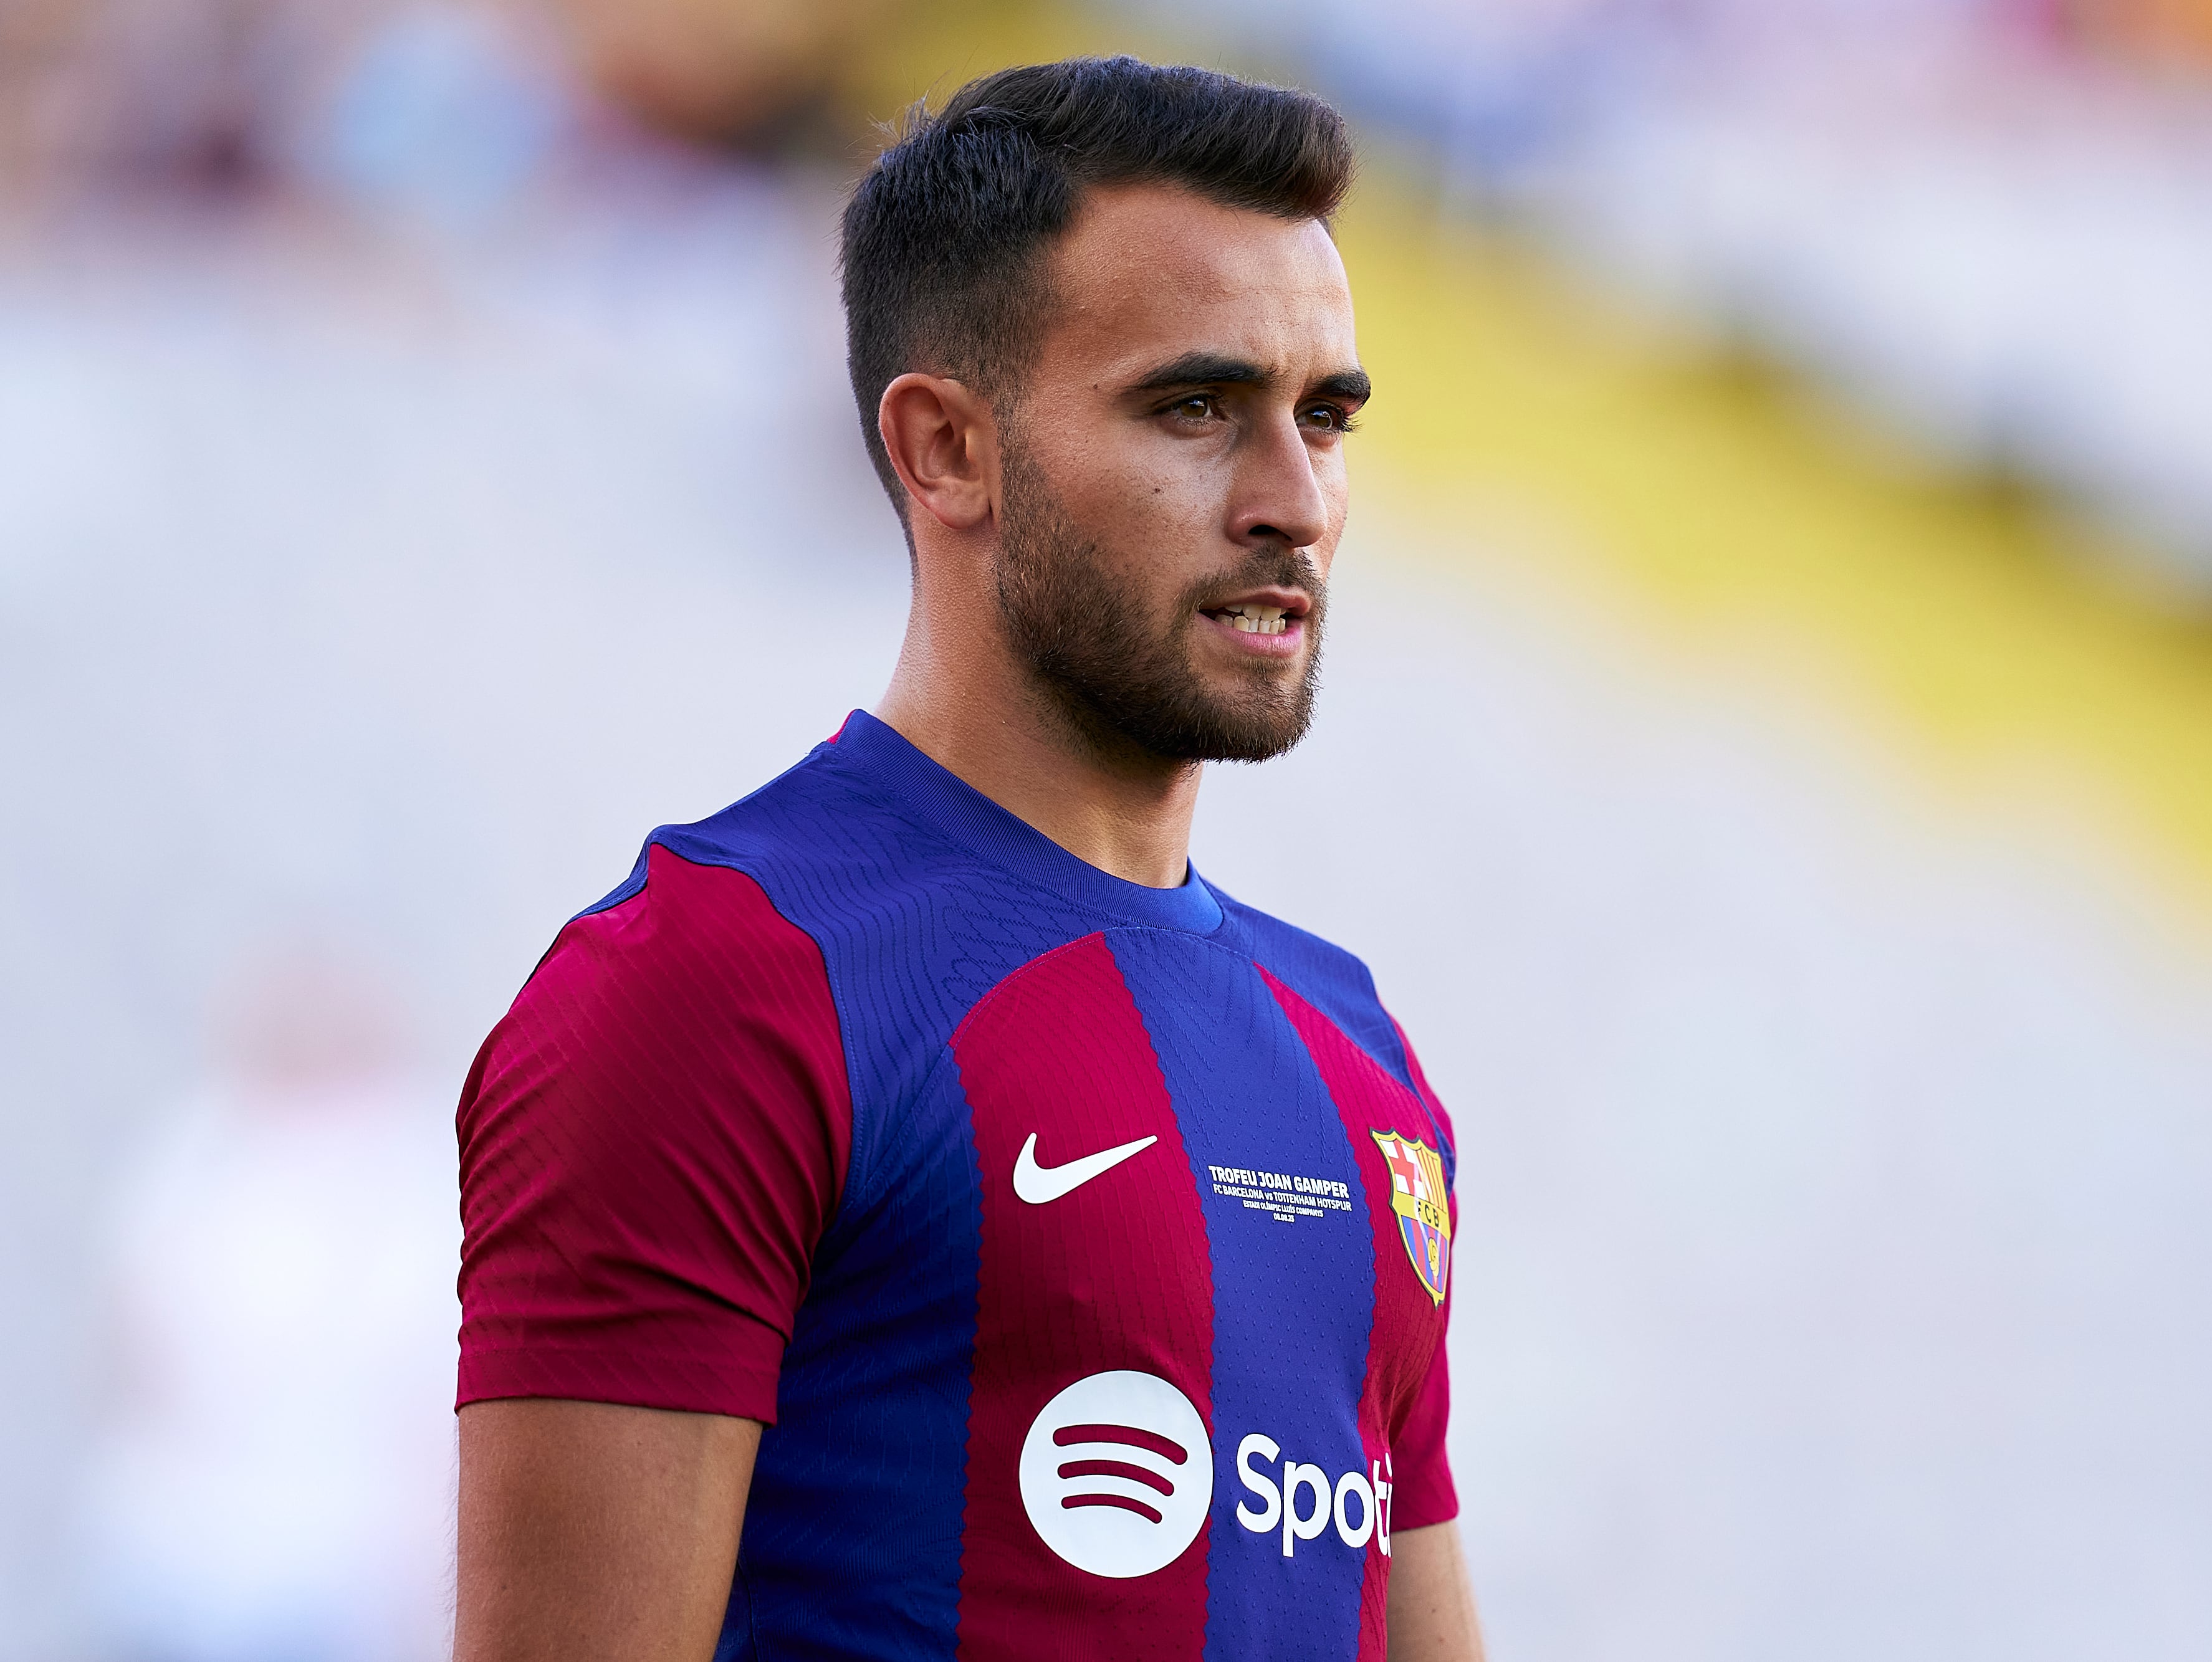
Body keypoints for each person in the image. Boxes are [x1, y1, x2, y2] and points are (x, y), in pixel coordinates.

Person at [452, 56, 1484, 1662]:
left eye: (1326, 419)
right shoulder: (722, 986)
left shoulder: (1355, 1055)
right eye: (1196, 407)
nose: (1294, 502)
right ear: (945, 451)